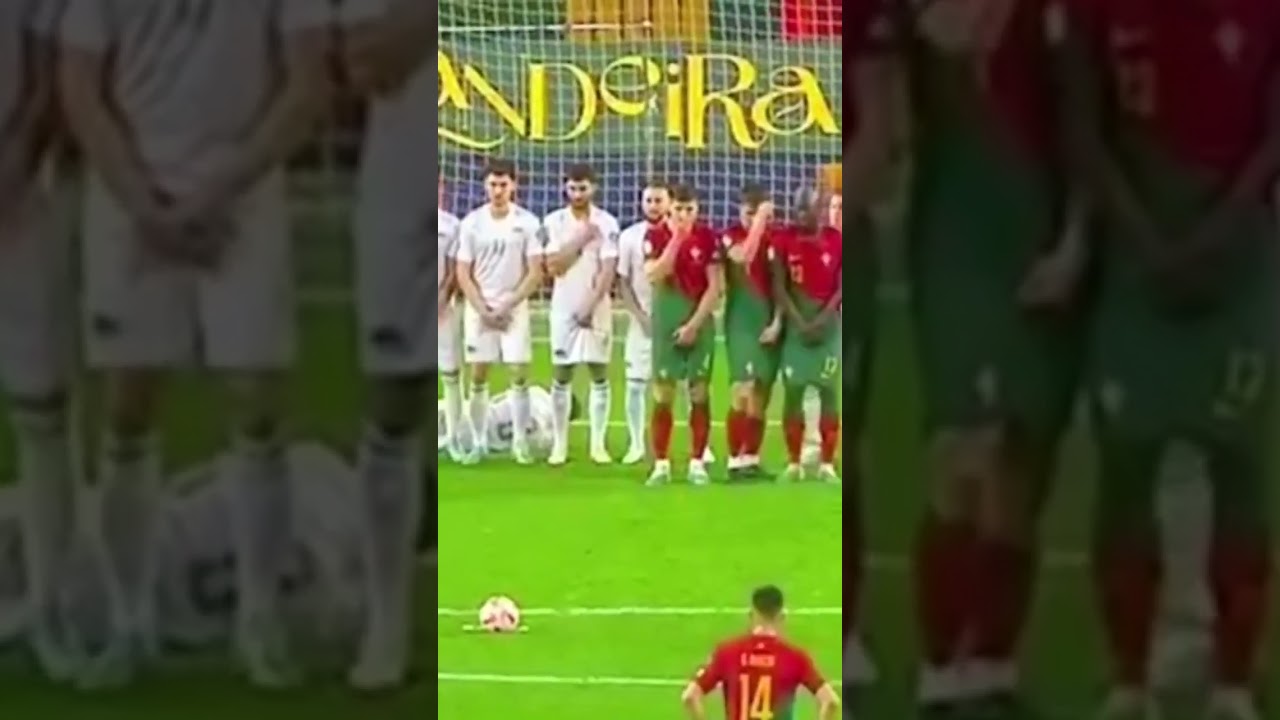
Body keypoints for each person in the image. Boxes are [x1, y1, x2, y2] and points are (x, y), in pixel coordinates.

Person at [58, 0, 330, 688]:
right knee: (127, 408)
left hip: (242, 201)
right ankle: (128, 623)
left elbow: (307, 84)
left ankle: (260, 621)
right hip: (129, 204)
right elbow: (80, 87)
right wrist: (144, 202)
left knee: (256, 403)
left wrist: (221, 185)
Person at [1060, 1, 1279, 718]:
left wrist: (1221, 231)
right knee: (1125, 464)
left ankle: (1233, 686)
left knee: (1238, 461)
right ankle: (1128, 680)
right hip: (1136, 257)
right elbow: (1084, 125)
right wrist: (1147, 240)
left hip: (1238, 254)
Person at [902, 2, 1090, 715]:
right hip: (957, 242)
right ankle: (940, 660)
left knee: (1021, 462)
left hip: (1035, 233)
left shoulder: (1053, 20)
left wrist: (1073, 241)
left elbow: (1082, 129)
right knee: (962, 453)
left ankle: (994, 663)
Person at [0, 444, 372, 665]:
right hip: (131, 616)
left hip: (121, 536)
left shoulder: (314, 464)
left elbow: (188, 482)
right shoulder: (344, 601)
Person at [341, 0, 433, 688]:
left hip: (535, 161)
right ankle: (386, 625)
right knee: (395, 395)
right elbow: (364, 58)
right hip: (409, 183)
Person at [0, 0, 77, 681]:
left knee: (41, 411)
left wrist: (16, 158)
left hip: (21, 202)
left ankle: (51, 610)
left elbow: (53, 72)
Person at [455, 160, 545, 465]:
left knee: (518, 374)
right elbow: (462, 273)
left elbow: (535, 272)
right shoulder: (471, 223)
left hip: (513, 308)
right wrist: (483, 308)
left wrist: (507, 305)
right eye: (493, 184)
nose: (498, 190)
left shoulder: (529, 223)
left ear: (514, 186)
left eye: (503, 184)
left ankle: (520, 442)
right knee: (478, 375)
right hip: (479, 308)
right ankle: (479, 443)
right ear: (485, 186)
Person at [643, 184, 723, 485]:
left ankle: (697, 462)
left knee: (699, 392)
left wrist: (693, 325)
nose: (684, 215)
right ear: (670, 209)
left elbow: (715, 286)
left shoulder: (708, 238)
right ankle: (661, 464)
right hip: (666, 321)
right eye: (678, 209)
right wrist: (676, 239)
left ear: (697, 209)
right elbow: (654, 274)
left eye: (690, 209)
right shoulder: (655, 236)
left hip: (698, 322)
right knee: (663, 393)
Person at [542, 164, 621, 466]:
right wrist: (583, 237)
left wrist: (589, 306)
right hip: (563, 308)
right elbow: (552, 266)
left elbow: (608, 270)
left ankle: (598, 445)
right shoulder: (553, 222)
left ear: (594, 188)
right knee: (562, 374)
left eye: (583, 188)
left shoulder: (608, 223)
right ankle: (560, 445)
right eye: (573, 188)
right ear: (565, 189)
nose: (578, 194)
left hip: (597, 309)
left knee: (599, 373)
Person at [680, 585, 840, 720]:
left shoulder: (727, 652)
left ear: (751, 615)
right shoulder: (795, 657)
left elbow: (690, 697)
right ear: (782, 616)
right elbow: (831, 701)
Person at [773, 188, 843, 485]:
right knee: (793, 393)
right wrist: (799, 322)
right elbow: (779, 285)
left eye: (807, 210)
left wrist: (823, 319)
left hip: (828, 327)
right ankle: (794, 463)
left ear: (821, 209)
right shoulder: (784, 240)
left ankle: (827, 465)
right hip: (797, 327)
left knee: (828, 391)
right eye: (798, 210)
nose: (801, 216)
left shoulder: (836, 240)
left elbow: (842, 286)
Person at [720, 184, 782, 480]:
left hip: (769, 322)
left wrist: (778, 323)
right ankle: (734, 460)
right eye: (749, 214)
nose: (754, 220)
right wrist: (758, 223)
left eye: (760, 215)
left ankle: (751, 458)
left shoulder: (777, 239)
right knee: (741, 391)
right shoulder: (730, 236)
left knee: (761, 393)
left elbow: (786, 288)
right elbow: (743, 256)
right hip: (740, 324)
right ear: (740, 211)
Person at [437, 385, 564, 457]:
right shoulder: (546, 439)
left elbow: (499, 398)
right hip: (475, 442)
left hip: (473, 416)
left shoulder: (538, 394)